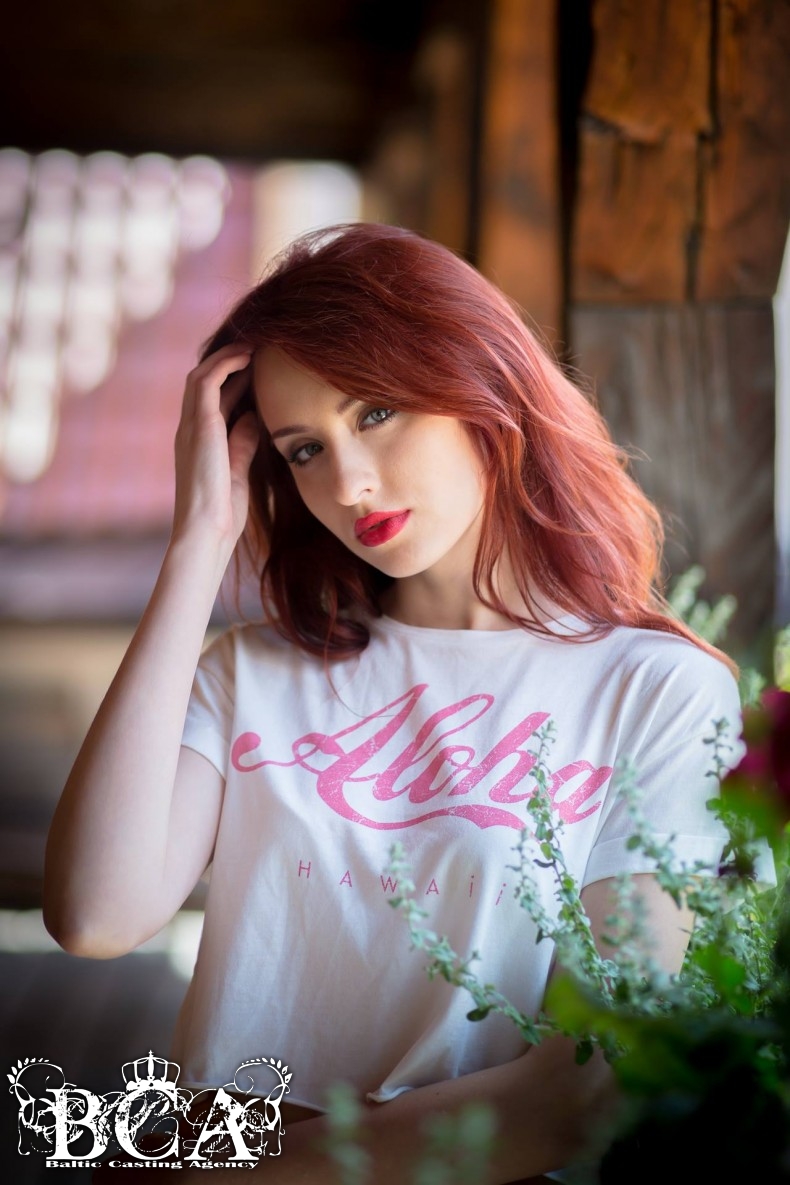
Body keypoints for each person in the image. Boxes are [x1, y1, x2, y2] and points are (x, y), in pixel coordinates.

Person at [43, 222, 743, 1184]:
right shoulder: (251, 674)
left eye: (375, 412)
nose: (347, 482)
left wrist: (234, 1177)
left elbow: (586, 1086)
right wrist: (198, 541)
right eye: (302, 449)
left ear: (479, 383)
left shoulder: (656, 692)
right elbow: (96, 915)